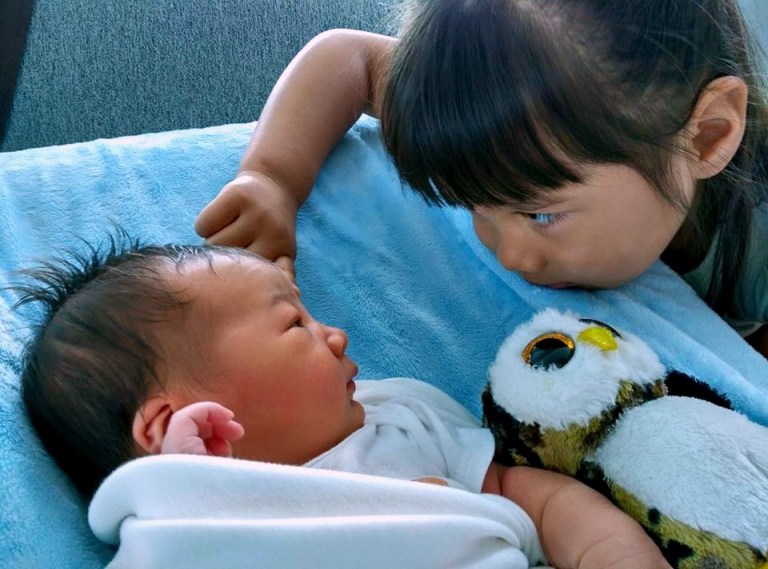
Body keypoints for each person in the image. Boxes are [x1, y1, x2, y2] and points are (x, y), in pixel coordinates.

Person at [16, 237, 670, 569]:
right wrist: (189, 483)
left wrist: (610, 554)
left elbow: (536, 495)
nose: (336, 333)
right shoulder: (167, 526)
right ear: (168, 425)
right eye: (294, 324)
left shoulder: (399, 417)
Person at [193, 0, 768, 355]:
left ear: (708, 136)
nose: (508, 253)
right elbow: (350, 57)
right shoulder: (505, 113)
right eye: (472, 205)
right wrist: (271, 177)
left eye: (540, 214)